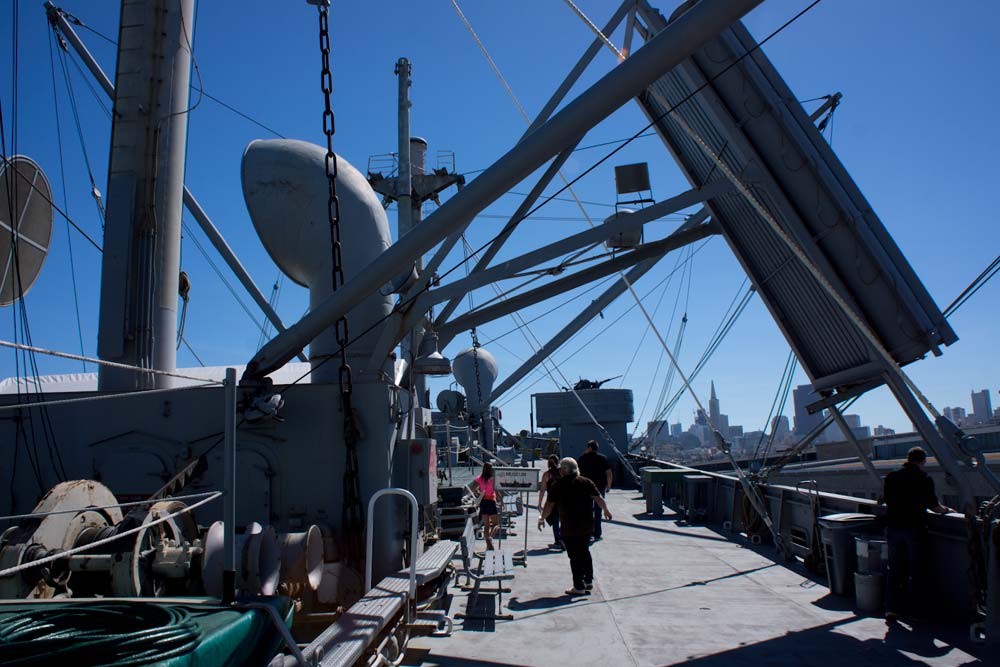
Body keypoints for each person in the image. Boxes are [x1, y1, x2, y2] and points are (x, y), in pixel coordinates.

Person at [882, 447, 954, 623]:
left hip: (893, 527)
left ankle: (892, 609)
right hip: (914, 528)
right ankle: (915, 612)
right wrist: (947, 510)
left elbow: (885, 499)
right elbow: (933, 505)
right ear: (923, 461)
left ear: (908, 458)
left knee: (895, 569)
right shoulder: (924, 479)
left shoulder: (892, 477)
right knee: (917, 570)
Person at [538, 457, 612, 596]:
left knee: (574, 556)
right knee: (584, 551)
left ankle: (578, 586)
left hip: (569, 527)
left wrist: (542, 518)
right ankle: (588, 580)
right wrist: (606, 511)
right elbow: (598, 498)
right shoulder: (586, 482)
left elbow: (549, 505)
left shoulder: (558, 485)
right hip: (586, 525)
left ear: (565, 470)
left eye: (560, 469)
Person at [578, 440, 612, 541]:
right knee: (598, 510)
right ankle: (597, 533)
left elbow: (577, 473)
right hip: (599, 487)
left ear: (589, 448)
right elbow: (609, 473)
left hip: (585, 487)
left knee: (586, 510)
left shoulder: (582, 458)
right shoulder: (603, 458)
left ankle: (587, 532)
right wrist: (608, 486)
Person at [472, 462, 501, 551]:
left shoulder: (479, 479)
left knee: (486, 525)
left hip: (483, 502)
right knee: (496, 524)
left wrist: (479, 494)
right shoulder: (493, 479)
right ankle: (490, 539)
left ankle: (488, 545)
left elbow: (473, 489)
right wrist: (501, 500)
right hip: (491, 501)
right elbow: (497, 491)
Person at [537, 455, 563, 550]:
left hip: (551, 500)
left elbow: (542, 490)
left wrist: (539, 502)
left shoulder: (546, 475)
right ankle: (562, 537)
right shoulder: (561, 472)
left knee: (555, 521)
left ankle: (557, 539)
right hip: (562, 500)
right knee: (564, 520)